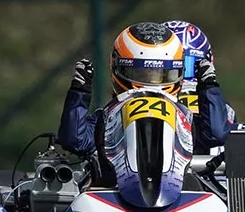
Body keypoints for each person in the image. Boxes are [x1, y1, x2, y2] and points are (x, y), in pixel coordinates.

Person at [57, 21, 230, 164]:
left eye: (160, 74)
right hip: (115, 196)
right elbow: (74, 140)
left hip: (178, 198)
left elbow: (215, 134)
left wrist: (209, 87)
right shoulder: (108, 118)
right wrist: (79, 92)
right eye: (142, 74)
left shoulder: (184, 118)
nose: (151, 84)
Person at [161, 19, 237, 147]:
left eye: (188, 65)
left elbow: (218, 134)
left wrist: (208, 85)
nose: (181, 76)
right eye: (173, 68)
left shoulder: (222, 108)